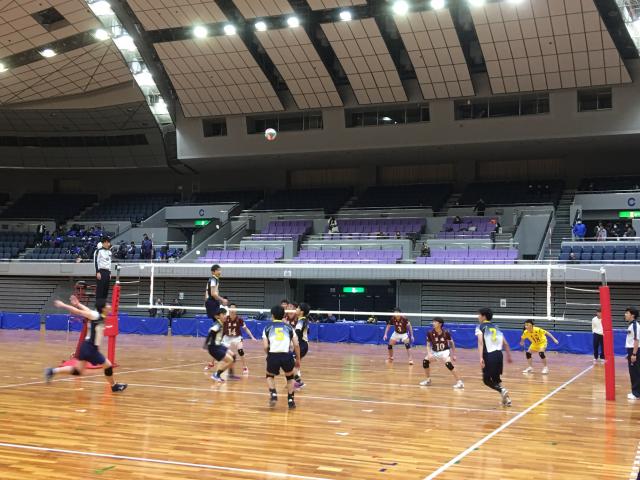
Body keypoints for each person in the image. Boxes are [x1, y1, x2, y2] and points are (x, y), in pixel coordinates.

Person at [44, 296, 127, 392]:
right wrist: (63, 305)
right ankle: (114, 386)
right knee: (108, 365)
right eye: (107, 305)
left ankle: (52, 371)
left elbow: (86, 310)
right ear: (103, 308)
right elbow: (79, 312)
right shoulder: (95, 315)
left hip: (87, 347)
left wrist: (78, 304)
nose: (110, 306)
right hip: (90, 348)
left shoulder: (100, 315)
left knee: (78, 371)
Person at [263, 305, 301, 409]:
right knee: (290, 377)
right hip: (286, 355)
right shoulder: (289, 327)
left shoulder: (267, 328)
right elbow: (296, 345)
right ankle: (290, 400)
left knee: (269, 376)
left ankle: (273, 393)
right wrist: (298, 359)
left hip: (273, 355)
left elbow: (265, 346)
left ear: (272, 315)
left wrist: (269, 355)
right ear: (283, 315)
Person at [476, 307, 512, 406]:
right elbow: (506, 343)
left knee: (486, 380)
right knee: (496, 379)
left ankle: (502, 390)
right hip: (499, 355)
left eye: (479, 315)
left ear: (484, 316)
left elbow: (480, 343)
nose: (478, 317)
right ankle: (507, 400)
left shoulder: (480, 327)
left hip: (489, 355)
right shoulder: (496, 327)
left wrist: (481, 357)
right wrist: (509, 355)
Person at [420, 317, 464, 389]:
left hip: (444, 351)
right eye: (433, 322)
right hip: (435, 352)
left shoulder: (446, 332)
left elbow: (452, 343)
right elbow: (428, 345)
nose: (433, 323)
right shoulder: (430, 333)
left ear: (440, 324)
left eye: (435, 322)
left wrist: (454, 354)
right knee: (425, 361)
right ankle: (428, 380)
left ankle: (460, 382)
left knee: (448, 364)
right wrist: (429, 353)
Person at [222, 303, 256, 375]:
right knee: (221, 351)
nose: (232, 310)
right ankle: (215, 364)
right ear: (229, 310)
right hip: (227, 337)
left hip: (237, 337)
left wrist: (252, 337)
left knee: (240, 350)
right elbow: (221, 328)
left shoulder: (239, 319)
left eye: (234, 308)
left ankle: (244, 367)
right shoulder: (225, 318)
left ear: (236, 310)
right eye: (231, 308)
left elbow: (246, 329)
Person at [204, 307, 237, 383]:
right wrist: (205, 344)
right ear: (218, 316)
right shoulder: (218, 324)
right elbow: (211, 332)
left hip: (219, 345)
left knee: (233, 356)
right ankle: (216, 374)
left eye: (225, 314)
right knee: (230, 360)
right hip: (214, 347)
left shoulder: (221, 323)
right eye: (223, 314)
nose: (225, 316)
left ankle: (230, 375)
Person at [293, 302, 311, 389]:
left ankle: (298, 382)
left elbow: (296, 334)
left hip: (301, 345)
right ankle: (295, 381)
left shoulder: (301, 321)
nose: (296, 309)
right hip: (304, 345)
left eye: (298, 308)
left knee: (290, 363)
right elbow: (308, 332)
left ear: (302, 312)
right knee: (294, 364)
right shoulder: (305, 320)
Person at [625, 306, 640, 400]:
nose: (625, 314)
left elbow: (636, 340)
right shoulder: (631, 325)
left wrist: (634, 354)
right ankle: (636, 391)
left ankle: (636, 393)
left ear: (632, 315)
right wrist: (629, 353)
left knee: (634, 372)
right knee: (634, 371)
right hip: (632, 350)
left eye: (627, 313)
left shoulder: (635, 325)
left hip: (635, 351)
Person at [94, 235, 112, 310]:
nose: (109, 244)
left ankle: (103, 307)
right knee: (100, 290)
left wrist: (110, 272)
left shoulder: (109, 252)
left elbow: (109, 263)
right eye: (108, 242)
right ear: (104, 242)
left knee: (105, 290)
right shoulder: (98, 251)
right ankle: (98, 308)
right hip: (101, 272)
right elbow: (96, 262)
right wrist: (97, 272)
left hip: (107, 272)